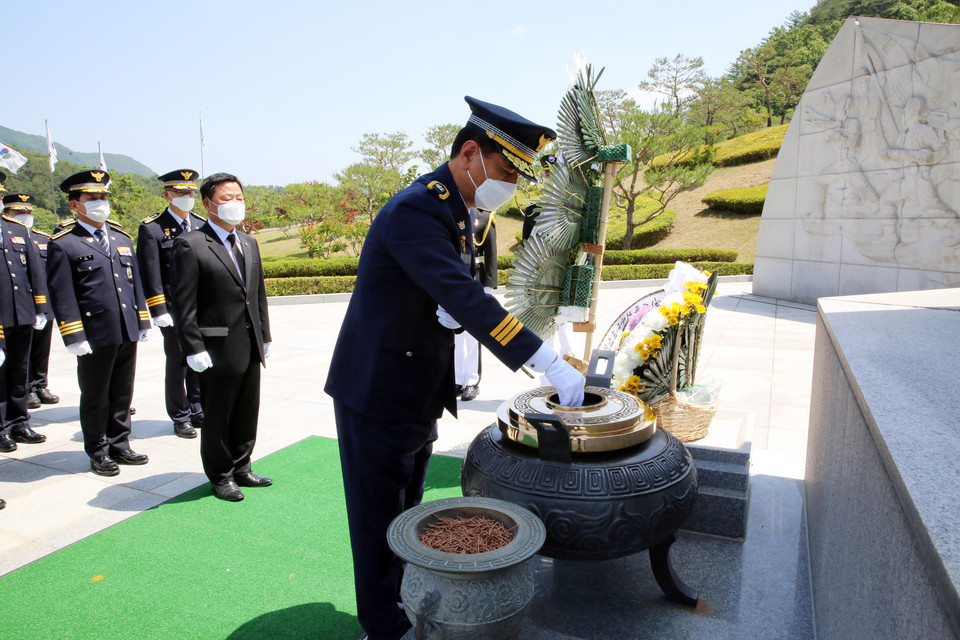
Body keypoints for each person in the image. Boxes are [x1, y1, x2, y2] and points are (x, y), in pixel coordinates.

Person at [325, 96, 585, 640]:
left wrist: (442, 313)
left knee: (405, 509)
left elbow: (447, 296)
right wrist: (549, 363)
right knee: (378, 521)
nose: (511, 183)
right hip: (378, 391)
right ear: (470, 153)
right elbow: (467, 300)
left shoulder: (459, 213)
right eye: (507, 169)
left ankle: (404, 602)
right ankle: (384, 625)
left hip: (415, 387)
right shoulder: (419, 207)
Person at [169, 172, 272, 502]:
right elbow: (184, 303)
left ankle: (242, 466)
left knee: (246, 409)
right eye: (226, 198)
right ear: (208, 204)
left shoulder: (249, 242)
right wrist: (193, 346)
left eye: (239, 197)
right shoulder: (192, 244)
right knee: (218, 415)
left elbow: (257, 296)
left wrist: (264, 334)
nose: (235, 204)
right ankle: (221, 475)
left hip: (249, 343)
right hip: (215, 346)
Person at [45, 170, 152, 476]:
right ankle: (98, 449)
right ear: (74, 205)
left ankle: (120, 443)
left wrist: (142, 319)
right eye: (91, 199)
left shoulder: (119, 236)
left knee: (121, 391)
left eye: (103, 197)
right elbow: (62, 293)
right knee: (95, 394)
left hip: (125, 326)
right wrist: (73, 334)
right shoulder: (64, 243)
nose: (100, 203)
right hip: (94, 333)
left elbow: (134, 283)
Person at [137, 169, 207, 439]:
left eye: (190, 192)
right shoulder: (152, 228)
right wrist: (158, 309)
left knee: (200, 358)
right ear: (168, 195)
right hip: (173, 309)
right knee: (178, 361)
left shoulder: (200, 224)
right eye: (180, 192)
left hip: (201, 307)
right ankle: (180, 416)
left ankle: (198, 408)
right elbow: (150, 272)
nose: (187, 197)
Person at [0, 193, 52, 452]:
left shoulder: (17, 230)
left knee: (19, 370)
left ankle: (20, 422)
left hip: (22, 312)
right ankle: (1, 428)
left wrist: (40, 307)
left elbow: (34, 270)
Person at [453, 204, 498, 402]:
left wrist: (488, 285)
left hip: (476, 279)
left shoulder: (485, 216)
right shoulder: (450, 212)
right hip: (453, 280)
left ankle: (471, 381)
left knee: (473, 336)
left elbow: (491, 253)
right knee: (454, 335)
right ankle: (456, 379)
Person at [520, 153, 557, 241]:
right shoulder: (532, 211)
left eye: (554, 176)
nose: (549, 180)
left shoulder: (572, 210)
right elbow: (526, 247)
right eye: (547, 176)